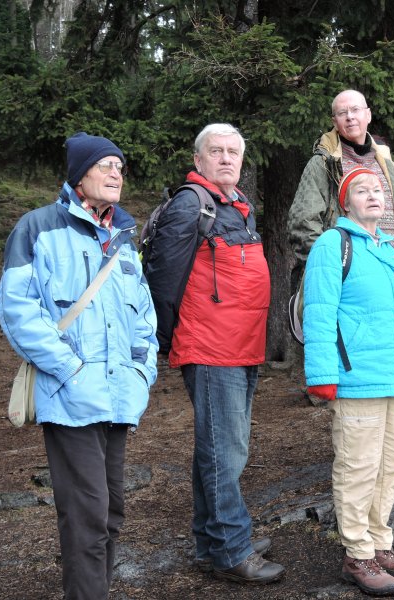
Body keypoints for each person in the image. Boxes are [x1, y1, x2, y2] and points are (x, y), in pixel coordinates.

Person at [0, 132, 158, 599]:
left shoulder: (125, 240)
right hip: (70, 398)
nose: (116, 174)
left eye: (120, 168)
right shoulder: (37, 228)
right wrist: (68, 369)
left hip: (119, 396)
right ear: (79, 175)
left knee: (111, 512)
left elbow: (144, 319)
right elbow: (17, 310)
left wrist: (141, 372)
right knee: (87, 512)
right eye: (105, 165)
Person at [144, 123, 285, 584]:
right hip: (210, 349)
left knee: (220, 448)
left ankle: (211, 539)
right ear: (199, 159)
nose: (226, 159)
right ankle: (231, 549)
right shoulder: (192, 204)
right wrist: (170, 341)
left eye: (233, 152)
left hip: (242, 347)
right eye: (216, 151)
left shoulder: (237, 208)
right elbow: (163, 280)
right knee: (226, 451)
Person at [303, 167, 394, 596]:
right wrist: (321, 376)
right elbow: (317, 313)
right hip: (356, 380)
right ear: (345, 201)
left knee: (390, 466)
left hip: (391, 379)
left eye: (379, 189)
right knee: (358, 468)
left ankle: (379, 543)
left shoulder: (389, 252)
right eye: (362, 189)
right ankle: (357, 554)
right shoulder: (331, 245)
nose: (373, 195)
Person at [288, 89, 394, 290]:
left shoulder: (389, 166)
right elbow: (303, 224)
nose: (350, 117)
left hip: (391, 276)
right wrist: (334, 270)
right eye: (342, 113)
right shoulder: (323, 164)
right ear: (335, 121)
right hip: (345, 282)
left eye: (355, 110)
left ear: (368, 115)